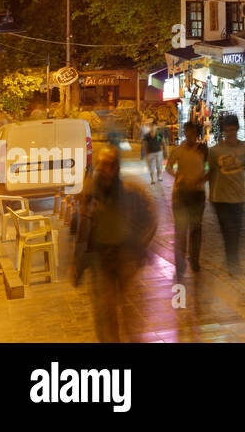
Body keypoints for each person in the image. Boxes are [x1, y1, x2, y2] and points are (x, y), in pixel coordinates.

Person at [72, 145, 158, 342]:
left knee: (131, 312)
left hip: (127, 259)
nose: (103, 170)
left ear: (116, 167)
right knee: (105, 312)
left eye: (107, 165)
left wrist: (142, 245)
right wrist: (77, 262)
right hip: (102, 261)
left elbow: (151, 218)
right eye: (100, 166)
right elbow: (83, 229)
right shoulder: (91, 194)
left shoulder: (131, 192)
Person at [206, 114, 245, 299]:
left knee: (236, 232)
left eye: (233, 130)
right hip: (220, 198)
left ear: (237, 130)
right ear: (223, 131)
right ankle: (233, 263)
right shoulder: (215, 151)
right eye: (228, 130)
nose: (231, 133)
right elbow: (210, 171)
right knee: (228, 231)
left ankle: (231, 259)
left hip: (239, 198)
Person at [166, 120, 208, 277]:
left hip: (197, 194)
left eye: (193, 133)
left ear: (197, 134)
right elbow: (168, 166)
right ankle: (180, 263)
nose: (190, 136)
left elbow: (209, 168)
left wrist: (202, 180)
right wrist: (178, 177)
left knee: (196, 228)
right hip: (181, 194)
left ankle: (194, 260)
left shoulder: (203, 150)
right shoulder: (179, 150)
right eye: (188, 133)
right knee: (181, 229)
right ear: (185, 133)